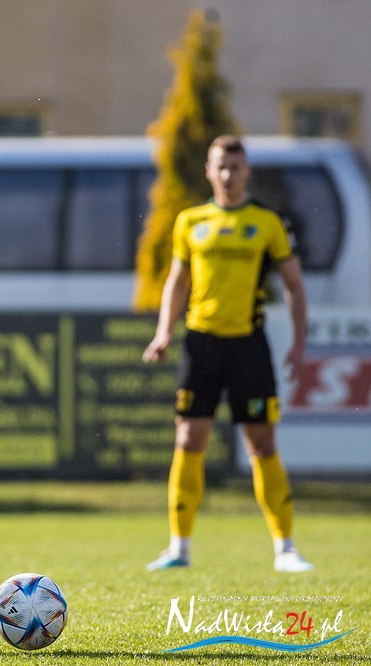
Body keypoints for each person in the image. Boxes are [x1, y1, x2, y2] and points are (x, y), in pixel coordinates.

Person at [142, 135, 314, 574]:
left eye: (235, 167)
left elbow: (295, 286)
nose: (227, 175)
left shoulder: (267, 222)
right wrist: (163, 332)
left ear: (246, 170)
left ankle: (286, 549)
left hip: (247, 345)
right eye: (220, 166)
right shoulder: (190, 221)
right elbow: (177, 282)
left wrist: (299, 345)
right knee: (188, 440)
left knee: (262, 444)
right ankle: (178, 548)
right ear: (208, 170)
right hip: (201, 344)